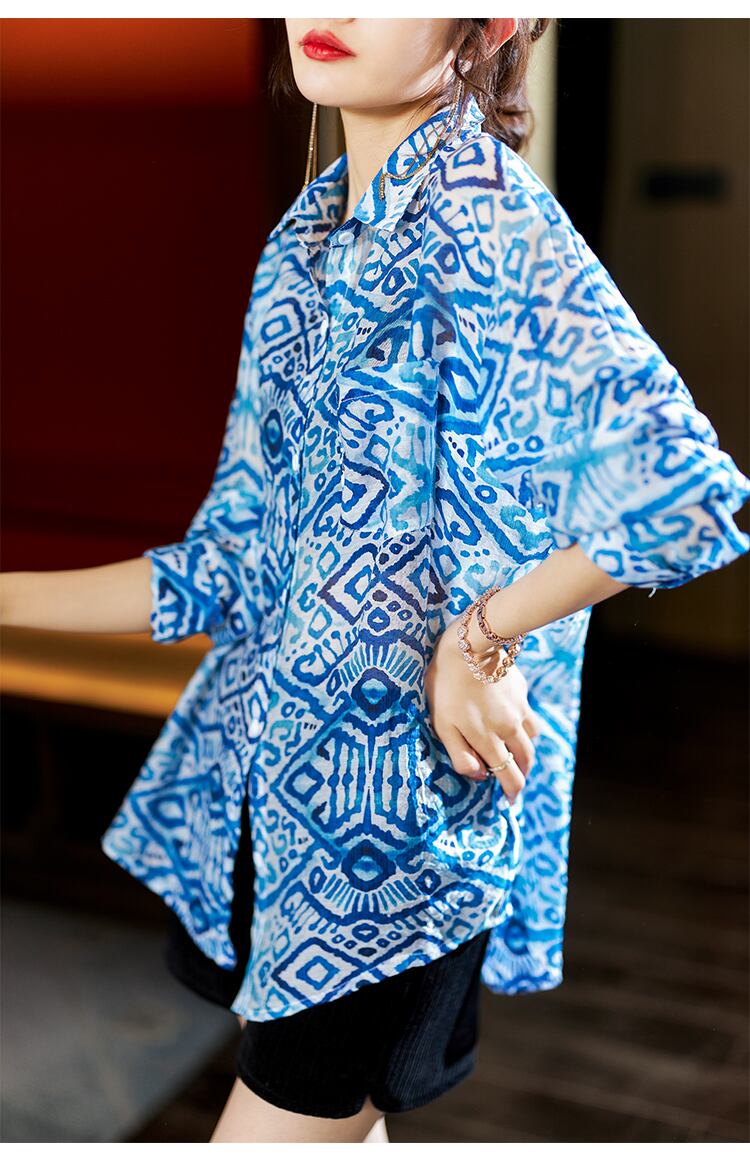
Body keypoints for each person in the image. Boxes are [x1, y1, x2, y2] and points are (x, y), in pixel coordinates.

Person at [2, 17, 749, 1144]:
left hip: (392, 848)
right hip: (273, 799)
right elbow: (227, 565)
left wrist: (482, 635)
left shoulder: (485, 214)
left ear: (489, 22)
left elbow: (682, 490)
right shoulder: (303, 242)